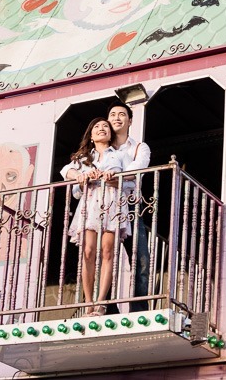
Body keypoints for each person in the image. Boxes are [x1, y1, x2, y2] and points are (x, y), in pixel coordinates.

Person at [61, 118, 129, 316]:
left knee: (108, 251)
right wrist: (81, 176)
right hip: (90, 203)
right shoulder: (84, 158)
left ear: (111, 134)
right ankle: (88, 302)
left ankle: (101, 303)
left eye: (105, 127)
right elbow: (66, 171)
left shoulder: (120, 155)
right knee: (88, 251)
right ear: (91, 135)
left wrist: (115, 179)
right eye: (97, 127)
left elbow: (132, 180)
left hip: (112, 202)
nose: (101, 129)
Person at [107, 99, 151, 312]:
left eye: (121, 114)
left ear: (130, 120)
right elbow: (74, 166)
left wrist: (117, 177)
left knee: (141, 259)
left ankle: (139, 308)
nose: (117, 117)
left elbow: (138, 167)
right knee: (103, 257)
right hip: (105, 206)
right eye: (113, 114)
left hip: (130, 207)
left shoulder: (139, 147)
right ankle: (107, 307)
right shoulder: (99, 147)